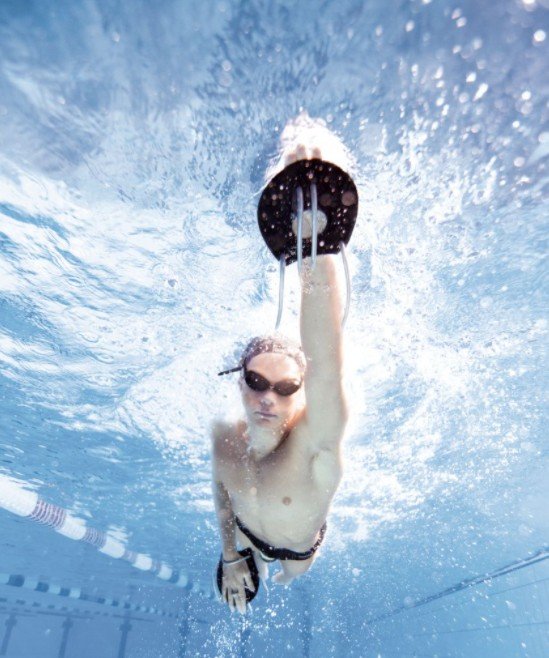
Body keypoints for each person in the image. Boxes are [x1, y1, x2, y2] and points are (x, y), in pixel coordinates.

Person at [211, 141, 349, 614]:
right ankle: (250, 566)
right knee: (248, 578)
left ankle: (260, 568)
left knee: (286, 577)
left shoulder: (316, 443)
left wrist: (311, 245)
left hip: (294, 555)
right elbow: (221, 487)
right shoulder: (228, 438)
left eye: (286, 386)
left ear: (301, 394)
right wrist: (230, 556)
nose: (267, 396)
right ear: (240, 382)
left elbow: (326, 364)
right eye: (256, 381)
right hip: (249, 538)